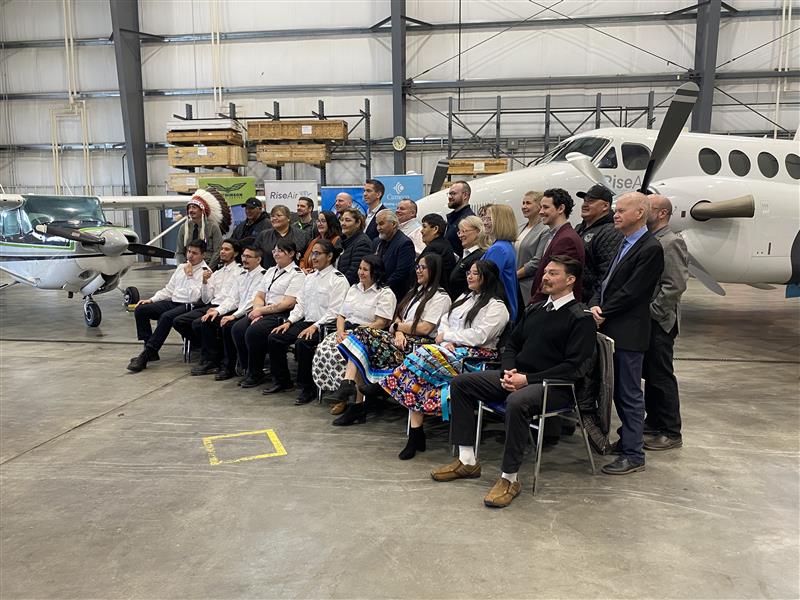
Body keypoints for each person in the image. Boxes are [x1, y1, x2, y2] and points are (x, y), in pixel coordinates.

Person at [430, 256, 596, 508]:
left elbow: (574, 368)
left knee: (517, 401)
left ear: (570, 280)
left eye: (553, 273)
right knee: (462, 383)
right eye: (546, 272)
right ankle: (467, 461)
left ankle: (509, 478)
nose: (546, 277)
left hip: (555, 386)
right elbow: (512, 345)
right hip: (518, 376)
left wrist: (526, 380)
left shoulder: (580, 317)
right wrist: (510, 372)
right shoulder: (536, 309)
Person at [382, 260, 510, 460]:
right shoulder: (465, 298)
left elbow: (480, 336)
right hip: (450, 349)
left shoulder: (497, 307)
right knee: (420, 373)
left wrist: (449, 338)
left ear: (488, 277)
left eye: (475, 273)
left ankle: (414, 431)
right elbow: (444, 322)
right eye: (468, 272)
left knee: (421, 360)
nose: (469, 276)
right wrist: (445, 340)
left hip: (476, 357)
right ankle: (416, 434)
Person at [589, 191, 664, 475]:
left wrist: (603, 310)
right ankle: (627, 441)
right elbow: (605, 281)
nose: (615, 214)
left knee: (629, 393)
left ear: (639, 214)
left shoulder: (650, 248)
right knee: (616, 392)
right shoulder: (624, 242)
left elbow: (634, 292)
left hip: (629, 332)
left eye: (621, 210)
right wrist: (596, 305)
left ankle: (634, 454)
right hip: (610, 325)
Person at [332, 254, 452, 426]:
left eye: (422, 267)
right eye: (417, 267)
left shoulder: (441, 297)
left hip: (421, 347)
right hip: (402, 340)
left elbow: (425, 328)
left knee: (362, 333)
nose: (418, 270)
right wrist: (398, 332)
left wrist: (398, 328)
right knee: (358, 343)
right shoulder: (415, 292)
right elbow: (398, 318)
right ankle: (355, 399)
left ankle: (350, 388)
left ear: (434, 270)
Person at [266, 239, 350, 404]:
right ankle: (283, 381)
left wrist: (315, 326)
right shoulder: (310, 278)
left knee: (302, 343)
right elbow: (301, 305)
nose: (313, 257)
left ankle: (307, 388)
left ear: (330, 256)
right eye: (312, 253)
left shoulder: (338, 280)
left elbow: (335, 311)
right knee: (275, 336)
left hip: (326, 325)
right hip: (308, 321)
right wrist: (289, 322)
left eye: (318, 253)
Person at [313, 255, 397, 415]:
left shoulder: (385, 293)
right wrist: (339, 332)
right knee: (326, 349)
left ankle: (348, 399)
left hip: (370, 334)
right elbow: (341, 315)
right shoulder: (353, 289)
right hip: (347, 331)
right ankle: (345, 394)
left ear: (376, 273)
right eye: (360, 268)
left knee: (354, 350)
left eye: (365, 270)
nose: (361, 272)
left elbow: (382, 322)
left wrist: (358, 331)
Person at [643, 194, 689, 451]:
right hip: (651, 320)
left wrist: (654, 313)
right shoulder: (653, 240)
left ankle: (671, 431)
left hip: (660, 321)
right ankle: (654, 421)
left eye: (648, 208)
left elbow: (675, 284)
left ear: (662, 213)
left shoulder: (671, 242)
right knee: (650, 374)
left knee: (661, 376)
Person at [231, 239, 306, 389]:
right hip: (264, 310)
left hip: (283, 313)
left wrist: (261, 311)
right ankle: (248, 368)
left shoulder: (297, 274)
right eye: (274, 251)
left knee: (254, 331)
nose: (276, 254)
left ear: (291, 254)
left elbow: (288, 303)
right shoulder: (271, 271)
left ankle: (256, 372)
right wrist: (257, 311)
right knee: (237, 328)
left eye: (280, 251)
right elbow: (259, 296)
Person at [127, 240, 208, 373]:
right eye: (189, 252)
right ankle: (149, 348)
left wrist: (189, 276)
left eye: (195, 253)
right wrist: (152, 300)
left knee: (166, 317)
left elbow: (195, 297)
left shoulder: (205, 271)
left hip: (188, 305)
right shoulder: (181, 267)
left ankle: (147, 354)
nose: (190, 256)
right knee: (141, 309)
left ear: (202, 255)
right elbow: (169, 290)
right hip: (173, 301)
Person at [192, 246, 266, 380]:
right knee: (207, 320)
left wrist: (233, 315)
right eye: (243, 256)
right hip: (238, 310)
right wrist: (217, 310)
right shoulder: (242, 275)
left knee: (229, 326)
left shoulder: (263, 276)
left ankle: (229, 366)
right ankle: (212, 361)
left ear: (258, 259)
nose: (244, 259)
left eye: (248, 257)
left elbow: (251, 302)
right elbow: (232, 298)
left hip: (252, 313)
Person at [172, 238, 242, 356]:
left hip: (229, 307)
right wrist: (205, 282)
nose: (222, 252)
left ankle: (211, 356)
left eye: (227, 249)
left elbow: (234, 299)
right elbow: (206, 299)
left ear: (235, 253)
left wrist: (218, 310)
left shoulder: (240, 271)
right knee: (179, 321)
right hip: (211, 305)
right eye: (221, 249)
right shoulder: (217, 273)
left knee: (199, 323)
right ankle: (207, 347)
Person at [529, 188, 585, 304]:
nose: (540, 212)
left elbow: (556, 282)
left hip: (555, 307)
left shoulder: (566, 240)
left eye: (546, 207)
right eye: (541, 207)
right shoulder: (557, 236)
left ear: (560, 209)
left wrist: (532, 307)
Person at [576, 184, 623, 303]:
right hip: (575, 297)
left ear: (605, 206)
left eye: (591, 201)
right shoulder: (579, 228)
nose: (585, 204)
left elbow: (606, 273)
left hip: (589, 302)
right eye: (585, 200)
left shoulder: (612, 231)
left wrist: (593, 303)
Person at [482, 204, 519, 322]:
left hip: (496, 309)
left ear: (501, 222)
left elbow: (486, 281)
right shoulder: (505, 246)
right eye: (485, 219)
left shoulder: (498, 249)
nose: (485, 223)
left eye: (489, 219)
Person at [372, 209, 415, 301]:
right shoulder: (377, 242)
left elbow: (401, 273)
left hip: (394, 294)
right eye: (377, 224)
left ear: (394, 224)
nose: (378, 228)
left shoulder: (405, 243)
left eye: (381, 224)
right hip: (375, 291)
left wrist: (382, 288)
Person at [515, 191, 549, 300]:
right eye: (523, 203)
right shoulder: (520, 228)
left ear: (540, 206)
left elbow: (537, 261)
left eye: (528, 203)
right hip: (514, 283)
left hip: (527, 286)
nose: (524, 207)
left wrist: (515, 275)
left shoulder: (545, 230)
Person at [255, 205, 310, 269]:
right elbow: (255, 256)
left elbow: (307, 257)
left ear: (288, 218)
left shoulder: (302, 235)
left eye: (278, 215)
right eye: (272, 216)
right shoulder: (264, 235)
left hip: (295, 275)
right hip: (269, 275)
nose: (274, 218)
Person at [175, 197, 223, 268]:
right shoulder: (184, 228)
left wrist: (208, 269)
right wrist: (183, 267)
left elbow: (218, 251)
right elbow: (179, 252)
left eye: (194, 207)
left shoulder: (213, 227)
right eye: (189, 208)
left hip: (208, 265)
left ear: (202, 211)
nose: (191, 210)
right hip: (188, 265)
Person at [449, 216, 488, 299]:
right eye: (459, 232)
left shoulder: (480, 257)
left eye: (464, 231)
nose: (460, 235)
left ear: (478, 231)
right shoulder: (466, 255)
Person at [419, 213, 457, 294]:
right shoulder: (443, 244)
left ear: (435, 229)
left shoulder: (434, 248)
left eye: (424, 227)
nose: (421, 231)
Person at [337, 207, 372, 285]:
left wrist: (338, 286)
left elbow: (354, 273)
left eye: (347, 220)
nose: (343, 223)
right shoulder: (342, 240)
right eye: (342, 220)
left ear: (358, 223)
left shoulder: (363, 243)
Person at [445, 181, 475, 257]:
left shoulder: (468, 220)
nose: (450, 197)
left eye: (453, 194)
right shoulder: (453, 218)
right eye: (449, 194)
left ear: (465, 195)